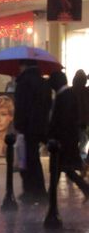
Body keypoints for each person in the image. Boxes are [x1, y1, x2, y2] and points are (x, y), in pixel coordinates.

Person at [14, 59, 51, 205]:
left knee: (26, 158)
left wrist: (18, 124)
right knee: (33, 158)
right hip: (40, 126)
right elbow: (48, 104)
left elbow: (21, 106)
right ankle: (37, 190)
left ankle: (32, 191)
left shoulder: (23, 83)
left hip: (26, 126)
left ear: (24, 66)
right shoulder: (44, 83)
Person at [48, 71, 89, 199]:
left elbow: (63, 120)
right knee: (63, 168)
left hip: (64, 139)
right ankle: (85, 189)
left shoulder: (65, 96)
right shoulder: (68, 94)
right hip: (70, 136)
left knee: (61, 167)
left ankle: (50, 196)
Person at [71, 70, 89, 161]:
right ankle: (82, 163)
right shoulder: (86, 91)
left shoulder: (71, 91)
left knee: (76, 144)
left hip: (73, 122)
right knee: (83, 143)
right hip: (84, 122)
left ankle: (77, 163)